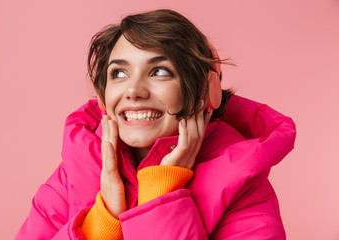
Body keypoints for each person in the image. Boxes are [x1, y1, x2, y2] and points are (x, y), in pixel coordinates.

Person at [15, 9, 296, 240]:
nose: (133, 90)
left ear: (204, 92)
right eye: (119, 73)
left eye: (159, 71)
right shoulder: (74, 171)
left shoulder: (242, 182)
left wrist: (159, 196)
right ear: (102, 98)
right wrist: (101, 223)